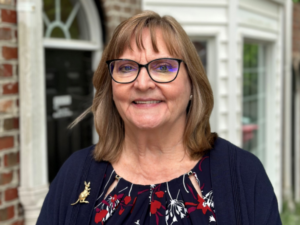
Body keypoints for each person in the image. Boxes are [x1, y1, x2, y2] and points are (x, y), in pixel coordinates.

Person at [37, 11, 281, 225]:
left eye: (163, 67)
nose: (143, 83)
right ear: (110, 87)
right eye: (126, 67)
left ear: (193, 83)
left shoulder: (243, 175)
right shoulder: (75, 175)